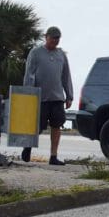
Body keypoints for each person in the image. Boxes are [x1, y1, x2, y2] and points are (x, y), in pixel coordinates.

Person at [20, 26, 73, 166]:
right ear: (46, 37)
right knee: (37, 126)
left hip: (57, 98)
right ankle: (28, 147)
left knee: (57, 125)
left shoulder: (61, 54)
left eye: (58, 38)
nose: (55, 41)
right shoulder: (36, 52)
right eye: (53, 38)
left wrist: (69, 95)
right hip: (40, 97)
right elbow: (29, 74)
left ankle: (53, 156)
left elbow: (66, 75)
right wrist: (28, 93)